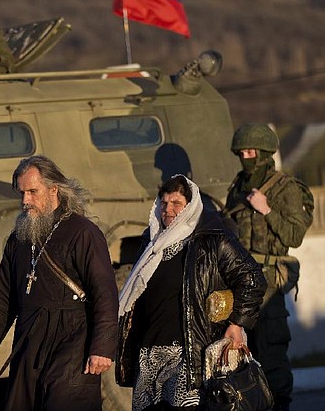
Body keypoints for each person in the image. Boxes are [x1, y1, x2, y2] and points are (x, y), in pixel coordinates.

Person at [0, 155, 119, 410]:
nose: (25, 200)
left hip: (73, 339)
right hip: (29, 340)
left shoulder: (83, 232)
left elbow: (104, 291)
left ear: (54, 189)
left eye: (32, 191)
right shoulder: (19, 238)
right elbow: (2, 298)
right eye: (21, 193)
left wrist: (102, 347)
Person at [116, 174, 266, 410]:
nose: (168, 209)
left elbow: (253, 279)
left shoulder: (213, 239)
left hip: (188, 356)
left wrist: (237, 323)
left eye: (176, 203)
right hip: (148, 357)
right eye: (164, 203)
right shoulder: (150, 244)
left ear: (191, 205)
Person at [224, 123, 313, 411]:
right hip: (238, 282)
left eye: (251, 152)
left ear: (264, 154)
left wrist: (267, 210)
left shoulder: (285, 188)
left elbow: (294, 236)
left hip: (269, 284)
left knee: (271, 355)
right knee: (236, 358)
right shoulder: (237, 187)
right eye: (242, 152)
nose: (246, 158)